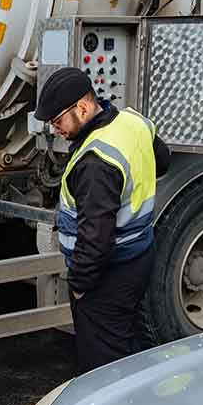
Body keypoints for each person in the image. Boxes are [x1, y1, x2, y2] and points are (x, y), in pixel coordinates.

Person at [34, 68, 170, 372]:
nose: (55, 130)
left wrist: (80, 285)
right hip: (139, 256)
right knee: (126, 340)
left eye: (57, 121)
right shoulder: (132, 121)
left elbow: (96, 238)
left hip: (109, 274)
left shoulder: (96, 163)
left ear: (82, 108)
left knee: (102, 364)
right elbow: (162, 161)